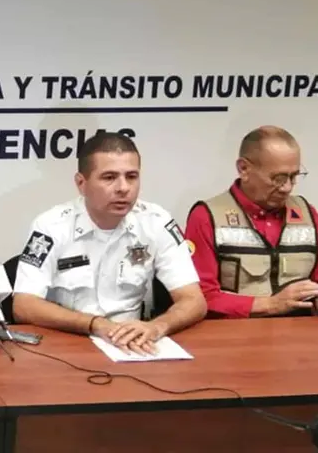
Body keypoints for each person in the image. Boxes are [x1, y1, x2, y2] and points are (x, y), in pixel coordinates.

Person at [12, 132, 207, 354]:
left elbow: (194, 300)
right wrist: (95, 324)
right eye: (109, 177)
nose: (123, 188)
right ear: (81, 183)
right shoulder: (51, 226)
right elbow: (24, 305)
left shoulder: (156, 222)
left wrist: (156, 327)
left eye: (131, 176)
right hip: (67, 344)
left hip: (132, 345)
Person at [185, 126, 318, 318]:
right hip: (234, 337)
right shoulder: (206, 217)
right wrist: (270, 305)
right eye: (278, 178)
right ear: (244, 169)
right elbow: (198, 298)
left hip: (299, 335)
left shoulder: (307, 213)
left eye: (294, 176)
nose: (287, 187)